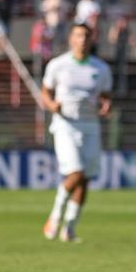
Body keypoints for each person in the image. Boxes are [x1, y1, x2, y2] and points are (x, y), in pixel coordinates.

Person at [41, 22, 112, 243]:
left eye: (86, 36)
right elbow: (46, 91)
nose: (82, 40)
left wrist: (106, 106)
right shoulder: (58, 65)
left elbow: (105, 96)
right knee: (76, 173)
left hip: (90, 125)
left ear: (92, 40)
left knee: (85, 179)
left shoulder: (100, 69)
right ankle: (54, 216)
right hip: (65, 124)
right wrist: (51, 105)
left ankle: (69, 229)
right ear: (71, 39)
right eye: (78, 35)